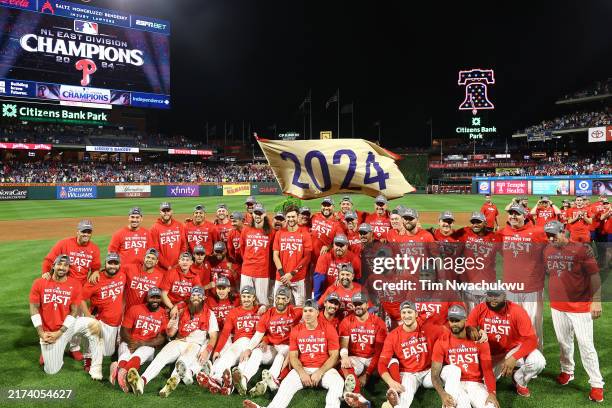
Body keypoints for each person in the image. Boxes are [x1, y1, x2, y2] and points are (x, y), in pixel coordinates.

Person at [543, 221, 604, 403]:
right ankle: (568, 371)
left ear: (564, 231)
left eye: (554, 234)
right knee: (564, 342)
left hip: (580, 307)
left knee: (586, 346)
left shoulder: (581, 249)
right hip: (557, 306)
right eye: (548, 235)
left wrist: (596, 301)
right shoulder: (547, 250)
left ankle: (596, 384)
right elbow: (550, 273)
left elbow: (594, 275)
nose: (551, 238)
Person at [243, 299, 344, 408]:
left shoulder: (328, 328)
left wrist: (320, 372)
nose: (307, 314)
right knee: (286, 386)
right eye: (305, 311)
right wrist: (301, 373)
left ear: (317, 313)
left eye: (311, 311)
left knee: (338, 383)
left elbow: (334, 356)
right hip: (303, 368)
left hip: (324, 370)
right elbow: (293, 356)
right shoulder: (296, 330)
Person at [127, 286, 219, 396]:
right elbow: (171, 333)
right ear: (190, 297)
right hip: (179, 341)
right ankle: (142, 381)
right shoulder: (182, 311)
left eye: (199, 296)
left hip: (195, 344)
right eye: (193, 295)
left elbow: (213, 336)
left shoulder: (209, 314)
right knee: (160, 358)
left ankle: (169, 385)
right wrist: (169, 326)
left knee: (182, 363)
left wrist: (207, 350)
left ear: (203, 297)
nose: (195, 298)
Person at [29, 255, 103, 379]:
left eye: (66, 265)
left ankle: (95, 367)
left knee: (94, 324)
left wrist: (61, 331)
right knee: (51, 371)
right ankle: (50, 352)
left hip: (66, 327)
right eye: (59, 264)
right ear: (53, 266)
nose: (62, 267)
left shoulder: (75, 285)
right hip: (49, 332)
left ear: (69, 268)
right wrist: (41, 333)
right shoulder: (39, 283)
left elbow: (74, 311)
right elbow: (34, 308)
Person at [377, 300, 462, 408]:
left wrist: (472, 332)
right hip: (409, 374)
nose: (406, 316)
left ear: (416, 314)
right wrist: (390, 381)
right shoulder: (393, 336)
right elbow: (381, 364)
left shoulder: (429, 328)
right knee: (405, 399)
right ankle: (394, 404)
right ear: (400, 314)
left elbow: (451, 333)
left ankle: (449, 405)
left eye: (409, 312)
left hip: (429, 373)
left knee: (454, 370)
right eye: (404, 312)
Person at [467, 290, 546, 397]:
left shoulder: (516, 310)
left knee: (538, 362)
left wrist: (514, 357)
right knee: (482, 384)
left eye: (497, 296)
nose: (493, 299)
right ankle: (498, 371)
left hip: (511, 351)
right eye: (490, 295)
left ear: (504, 296)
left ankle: (519, 380)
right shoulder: (480, 308)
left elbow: (531, 340)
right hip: (489, 355)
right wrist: (471, 329)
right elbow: (468, 327)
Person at [235, 286, 303, 396]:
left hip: (287, 347)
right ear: (275, 298)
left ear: (288, 299)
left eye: (283, 298)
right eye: (278, 298)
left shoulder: (296, 311)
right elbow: (258, 335)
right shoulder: (269, 314)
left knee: (281, 355)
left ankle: (266, 382)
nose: (280, 301)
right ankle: (244, 380)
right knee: (257, 352)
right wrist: (248, 349)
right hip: (272, 347)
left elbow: (313, 311)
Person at [498, 203, 547, 349]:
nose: (513, 216)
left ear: (524, 216)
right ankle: (517, 360)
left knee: (532, 324)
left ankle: (535, 359)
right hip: (510, 287)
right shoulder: (503, 233)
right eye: (511, 213)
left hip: (532, 287)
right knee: (512, 324)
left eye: (517, 213)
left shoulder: (538, 232)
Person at [431, 305, 499, 408]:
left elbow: (487, 370)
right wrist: (443, 394)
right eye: (451, 320)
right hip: (455, 383)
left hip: (476, 384)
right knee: (453, 371)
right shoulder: (442, 341)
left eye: (457, 320)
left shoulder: (479, 339)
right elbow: (435, 375)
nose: (454, 324)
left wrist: (492, 393)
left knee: (490, 406)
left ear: (465, 319)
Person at [198, 286, 261, 395]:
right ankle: (222, 382)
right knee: (231, 354)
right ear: (241, 297)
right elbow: (225, 333)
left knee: (239, 356)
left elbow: (266, 329)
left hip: (254, 342)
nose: (246, 299)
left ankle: (218, 378)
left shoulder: (260, 311)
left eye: (249, 297)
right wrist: (217, 350)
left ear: (253, 298)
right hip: (241, 341)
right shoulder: (234, 312)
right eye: (244, 296)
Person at [111, 287, 168, 393]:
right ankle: (123, 376)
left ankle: (119, 370)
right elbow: (124, 331)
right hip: (130, 341)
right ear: (147, 298)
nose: (155, 300)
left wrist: (141, 343)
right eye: (152, 297)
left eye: (158, 297)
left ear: (161, 299)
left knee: (140, 354)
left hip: (148, 344)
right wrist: (131, 342)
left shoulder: (163, 314)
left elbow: (161, 339)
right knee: (125, 352)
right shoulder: (135, 309)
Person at [338, 292, 387, 399]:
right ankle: (355, 394)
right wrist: (345, 356)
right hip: (356, 358)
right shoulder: (346, 321)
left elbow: (379, 352)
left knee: (392, 362)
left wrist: (367, 374)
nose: (358, 306)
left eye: (361, 303)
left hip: (373, 358)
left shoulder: (379, 323)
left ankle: (396, 392)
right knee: (344, 364)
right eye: (355, 304)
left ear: (367, 305)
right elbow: (344, 345)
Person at [80, 253, 126, 361]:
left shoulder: (122, 276)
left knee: (107, 352)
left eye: (116, 263)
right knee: (90, 332)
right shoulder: (95, 279)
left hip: (115, 320)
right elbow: (80, 298)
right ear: (105, 264)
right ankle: (88, 358)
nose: (113, 266)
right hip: (99, 318)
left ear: (120, 265)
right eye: (110, 263)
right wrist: (87, 315)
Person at [456, 212, 501, 312]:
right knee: (469, 319)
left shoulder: (494, 237)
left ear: (485, 223)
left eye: (478, 222)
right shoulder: (465, 233)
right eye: (473, 222)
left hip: (488, 286)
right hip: (468, 286)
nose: (475, 224)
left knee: (486, 317)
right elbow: (447, 235)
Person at [272, 206, 312, 306]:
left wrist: (292, 274)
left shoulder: (305, 233)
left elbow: (307, 257)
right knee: (277, 306)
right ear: (286, 218)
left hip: (298, 278)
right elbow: (275, 256)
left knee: (299, 308)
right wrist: (283, 275)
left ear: (298, 217)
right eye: (288, 217)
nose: (291, 219)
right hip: (281, 278)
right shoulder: (279, 233)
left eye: (293, 216)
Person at [42, 219, 101, 286]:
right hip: (63, 284)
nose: (86, 234)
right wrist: (45, 272)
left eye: (89, 232)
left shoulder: (94, 248)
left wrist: (96, 272)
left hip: (81, 286)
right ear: (78, 232)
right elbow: (49, 260)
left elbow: (96, 267)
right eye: (83, 231)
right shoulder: (64, 243)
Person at [240, 203, 274, 306]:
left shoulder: (270, 232)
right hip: (247, 270)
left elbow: (272, 251)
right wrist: (247, 259)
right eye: (256, 213)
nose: (258, 216)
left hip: (262, 272)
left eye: (260, 213)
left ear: (264, 215)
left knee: (262, 301)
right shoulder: (246, 229)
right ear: (252, 214)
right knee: (245, 299)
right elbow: (242, 248)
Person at [313, 234, 362, 301]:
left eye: (342, 246)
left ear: (347, 246)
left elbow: (358, 281)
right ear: (333, 245)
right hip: (328, 295)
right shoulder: (325, 257)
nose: (339, 248)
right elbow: (318, 280)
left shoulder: (354, 259)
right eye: (337, 245)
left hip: (348, 295)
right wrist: (317, 299)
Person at [149, 202, 187, 271]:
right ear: (160, 212)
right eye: (164, 211)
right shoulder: (154, 229)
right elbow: (156, 251)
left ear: (171, 211)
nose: (166, 213)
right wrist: (168, 266)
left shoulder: (179, 225)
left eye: (168, 210)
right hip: (162, 268)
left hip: (178, 266)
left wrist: (180, 261)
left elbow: (183, 245)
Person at [310, 197, 343, 267]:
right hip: (310, 257)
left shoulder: (337, 224)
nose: (326, 208)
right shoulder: (315, 216)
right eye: (324, 205)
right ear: (321, 206)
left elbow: (340, 242)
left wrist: (328, 246)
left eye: (329, 205)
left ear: (333, 207)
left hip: (324, 259)